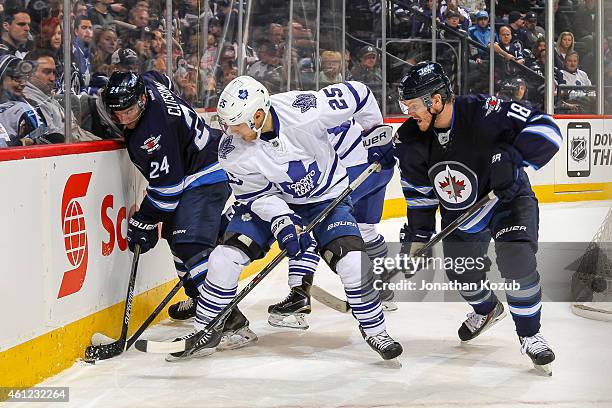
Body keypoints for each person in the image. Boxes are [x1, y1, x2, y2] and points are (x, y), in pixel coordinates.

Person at [167, 75, 403, 361]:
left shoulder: (305, 109)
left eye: (236, 124)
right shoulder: (231, 149)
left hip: (326, 198)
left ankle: (375, 330)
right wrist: (283, 221)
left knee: (353, 262)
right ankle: (206, 328)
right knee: (223, 258)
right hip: (273, 201)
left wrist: (375, 133)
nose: (230, 131)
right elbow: (255, 196)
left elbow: (361, 93)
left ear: (257, 115)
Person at [394, 61, 559, 374]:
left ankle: (530, 334)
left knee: (516, 259)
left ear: (437, 100)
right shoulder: (411, 138)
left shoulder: (483, 112)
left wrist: (513, 156)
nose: (409, 113)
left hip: (506, 201)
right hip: (462, 216)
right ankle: (487, 309)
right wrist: (418, 237)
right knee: (462, 276)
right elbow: (420, 194)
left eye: (413, 105)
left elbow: (546, 128)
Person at [101, 71, 256, 354]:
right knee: (177, 238)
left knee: (191, 244)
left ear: (143, 100)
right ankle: (202, 298)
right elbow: (161, 77)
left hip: (205, 172)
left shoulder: (151, 133)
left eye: (130, 110)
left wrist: (144, 221)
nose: (124, 118)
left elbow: (168, 189)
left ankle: (232, 324)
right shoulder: (147, 83)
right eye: (118, 112)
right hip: (197, 166)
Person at [267, 116, 397, 330]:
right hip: (380, 167)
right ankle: (383, 290)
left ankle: (299, 294)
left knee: (313, 221)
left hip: (355, 170)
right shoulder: (325, 115)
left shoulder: (294, 128)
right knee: (365, 228)